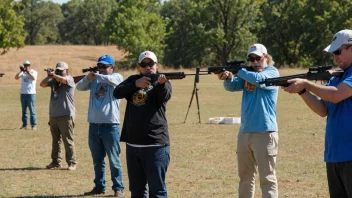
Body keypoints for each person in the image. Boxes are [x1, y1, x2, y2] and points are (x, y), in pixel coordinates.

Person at [283, 29, 352, 197]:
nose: (335, 56)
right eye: (333, 53)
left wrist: (307, 83)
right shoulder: (336, 77)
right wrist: (303, 91)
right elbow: (323, 110)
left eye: (338, 51)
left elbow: (336, 94)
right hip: (334, 154)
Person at [216, 44, 280, 198]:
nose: (255, 62)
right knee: (245, 177)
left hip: (265, 132)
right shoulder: (247, 74)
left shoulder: (272, 72)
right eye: (251, 59)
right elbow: (232, 87)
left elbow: (258, 80)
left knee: (267, 178)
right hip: (245, 132)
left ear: (266, 57)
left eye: (258, 58)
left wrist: (238, 71)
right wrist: (228, 78)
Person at [113, 51, 171, 198]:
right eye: (144, 64)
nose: (148, 67)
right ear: (139, 67)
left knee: (157, 191)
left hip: (155, 145)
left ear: (157, 66)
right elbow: (117, 92)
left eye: (151, 64)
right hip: (133, 145)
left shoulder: (163, 82)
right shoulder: (133, 79)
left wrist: (160, 84)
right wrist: (135, 84)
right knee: (136, 191)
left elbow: (164, 96)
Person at [76, 54, 125, 197]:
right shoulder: (95, 80)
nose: (101, 69)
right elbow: (79, 87)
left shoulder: (117, 77)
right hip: (94, 125)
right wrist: (88, 77)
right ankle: (99, 186)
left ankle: (118, 187)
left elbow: (110, 79)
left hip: (110, 126)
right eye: (99, 66)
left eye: (104, 66)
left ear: (112, 67)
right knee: (97, 160)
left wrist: (96, 76)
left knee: (114, 159)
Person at [39, 62, 77, 171]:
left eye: (61, 70)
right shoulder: (54, 81)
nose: (60, 71)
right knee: (55, 140)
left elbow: (64, 80)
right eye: (58, 70)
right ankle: (56, 162)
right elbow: (42, 84)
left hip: (66, 115)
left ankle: (72, 162)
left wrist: (54, 75)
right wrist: (48, 76)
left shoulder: (69, 79)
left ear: (67, 71)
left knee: (68, 140)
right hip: (54, 115)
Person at [15, 60, 38, 130]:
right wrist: (21, 71)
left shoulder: (33, 72)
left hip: (31, 94)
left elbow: (33, 78)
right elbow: (16, 77)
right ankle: (24, 125)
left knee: (32, 110)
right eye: (25, 65)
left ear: (29, 66)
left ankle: (33, 125)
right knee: (24, 110)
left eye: (27, 65)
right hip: (23, 94)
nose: (26, 66)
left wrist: (27, 72)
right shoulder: (22, 73)